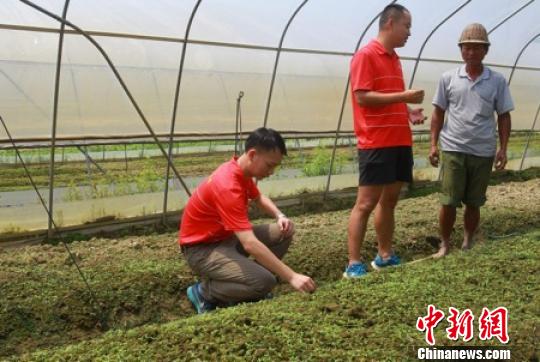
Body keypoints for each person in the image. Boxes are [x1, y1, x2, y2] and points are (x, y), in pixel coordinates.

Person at [179, 127, 316, 314]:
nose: (271, 172)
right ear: (253, 154)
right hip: (202, 249)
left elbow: (258, 198)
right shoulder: (228, 185)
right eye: (269, 165)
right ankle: (203, 293)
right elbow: (250, 244)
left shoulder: (241, 172)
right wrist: (292, 276)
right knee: (266, 281)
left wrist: (280, 215)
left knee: (282, 232)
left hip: (225, 238)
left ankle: (249, 284)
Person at [344, 3, 426, 278]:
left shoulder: (394, 59)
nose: (409, 33)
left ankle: (385, 255)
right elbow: (362, 97)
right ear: (390, 23)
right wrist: (404, 97)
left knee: (389, 201)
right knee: (366, 203)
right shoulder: (365, 56)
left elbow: (388, 95)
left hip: (399, 139)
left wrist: (407, 112)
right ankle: (353, 263)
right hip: (376, 141)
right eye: (407, 26)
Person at [429, 23, 513, 258]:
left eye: (477, 48)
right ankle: (444, 244)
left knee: (474, 201)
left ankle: (467, 241)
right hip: (454, 148)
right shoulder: (448, 78)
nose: (471, 52)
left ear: (485, 51)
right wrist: (433, 144)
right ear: (461, 50)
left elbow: (504, 116)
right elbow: (438, 113)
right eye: (467, 48)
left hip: (483, 151)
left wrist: (503, 149)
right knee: (448, 200)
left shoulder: (497, 81)